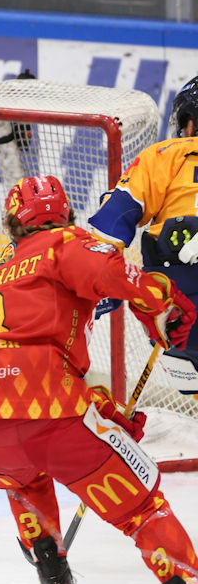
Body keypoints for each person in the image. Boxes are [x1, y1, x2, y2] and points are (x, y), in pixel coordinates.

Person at [0, 175, 198, 584]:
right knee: (141, 509)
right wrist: (158, 293)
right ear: (64, 214)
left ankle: (52, 572)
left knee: (24, 476)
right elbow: (108, 275)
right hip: (47, 412)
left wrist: (101, 413)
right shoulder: (64, 242)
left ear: (11, 225)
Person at [88, 74, 198, 386]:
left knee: (188, 378)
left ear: (188, 123)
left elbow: (110, 224)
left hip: (180, 309)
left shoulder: (164, 155)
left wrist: (100, 284)